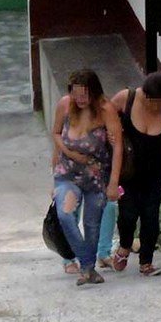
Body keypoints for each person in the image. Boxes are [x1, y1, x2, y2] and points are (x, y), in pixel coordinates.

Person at [108, 71, 161, 276]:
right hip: (128, 170)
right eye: (155, 102)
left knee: (151, 215)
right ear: (145, 95)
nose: (159, 107)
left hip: (156, 171)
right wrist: (111, 134)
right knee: (128, 212)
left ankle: (146, 261)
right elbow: (104, 114)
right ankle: (124, 245)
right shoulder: (127, 98)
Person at [51, 69, 123, 286]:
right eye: (76, 94)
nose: (80, 99)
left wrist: (113, 183)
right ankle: (86, 262)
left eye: (85, 94)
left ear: (94, 92)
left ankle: (88, 269)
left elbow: (118, 146)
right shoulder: (65, 105)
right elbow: (55, 133)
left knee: (92, 225)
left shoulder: (105, 109)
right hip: (67, 174)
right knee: (65, 216)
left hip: (96, 176)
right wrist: (68, 154)